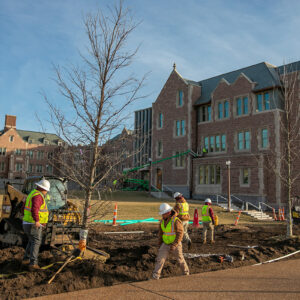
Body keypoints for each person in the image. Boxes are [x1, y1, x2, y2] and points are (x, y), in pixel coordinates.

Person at [152, 203, 189, 280]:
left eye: (163, 214)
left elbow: (180, 233)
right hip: (165, 244)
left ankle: (186, 274)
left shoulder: (176, 220)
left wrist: (175, 244)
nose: (162, 215)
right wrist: (160, 244)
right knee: (160, 259)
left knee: (180, 260)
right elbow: (161, 233)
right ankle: (155, 276)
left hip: (175, 244)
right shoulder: (162, 221)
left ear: (168, 213)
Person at [22, 179, 50, 270]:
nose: (46, 192)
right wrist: (37, 221)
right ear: (43, 189)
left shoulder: (32, 194)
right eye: (46, 190)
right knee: (36, 241)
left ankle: (26, 259)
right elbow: (35, 209)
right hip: (33, 223)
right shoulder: (38, 196)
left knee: (31, 241)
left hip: (27, 222)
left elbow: (23, 208)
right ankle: (33, 263)